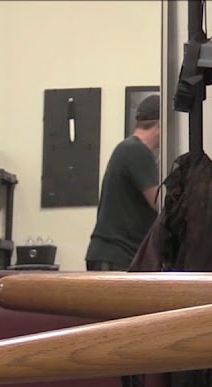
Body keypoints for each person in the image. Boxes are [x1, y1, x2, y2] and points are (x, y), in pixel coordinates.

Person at [84, 93, 161, 271]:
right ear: (160, 125)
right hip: (117, 256)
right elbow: (159, 202)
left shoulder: (128, 148)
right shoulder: (137, 151)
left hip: (111, 254)